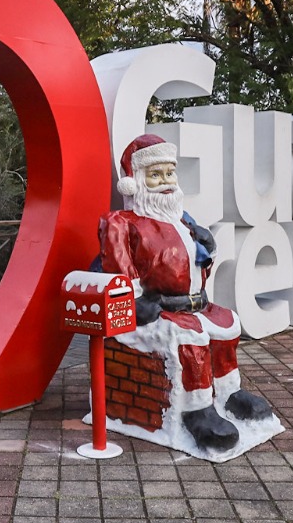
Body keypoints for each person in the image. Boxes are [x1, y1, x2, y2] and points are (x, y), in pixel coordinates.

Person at [97, 134, 278, 456]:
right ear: (134, 181)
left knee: (227, 325)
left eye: (170, 173)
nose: (166, 181)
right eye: (155, 174)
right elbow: (119, 265)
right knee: (190, 339)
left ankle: (229, 393)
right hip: (159, 307)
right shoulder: (122, 223)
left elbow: (195, 266)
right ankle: (197, 409)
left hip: (194, 304)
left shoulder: (182, 220)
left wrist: (207, 248)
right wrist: (134, 301)